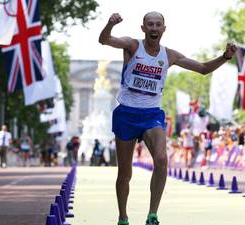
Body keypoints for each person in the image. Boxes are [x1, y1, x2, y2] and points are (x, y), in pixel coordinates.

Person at [99, 12, 236, 225]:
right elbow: (105, 40)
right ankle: (123, 216)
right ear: (143, 28)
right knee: (125, 172)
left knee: (162, 159)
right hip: (127, 113)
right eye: (150, 24)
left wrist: (225, 56)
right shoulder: (132, 46)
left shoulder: (169, 55)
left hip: (152, 114)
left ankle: (152, 215)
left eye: (158, 24)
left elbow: (202, 69)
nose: (154, 28)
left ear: (164, 29)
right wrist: (109, 25)